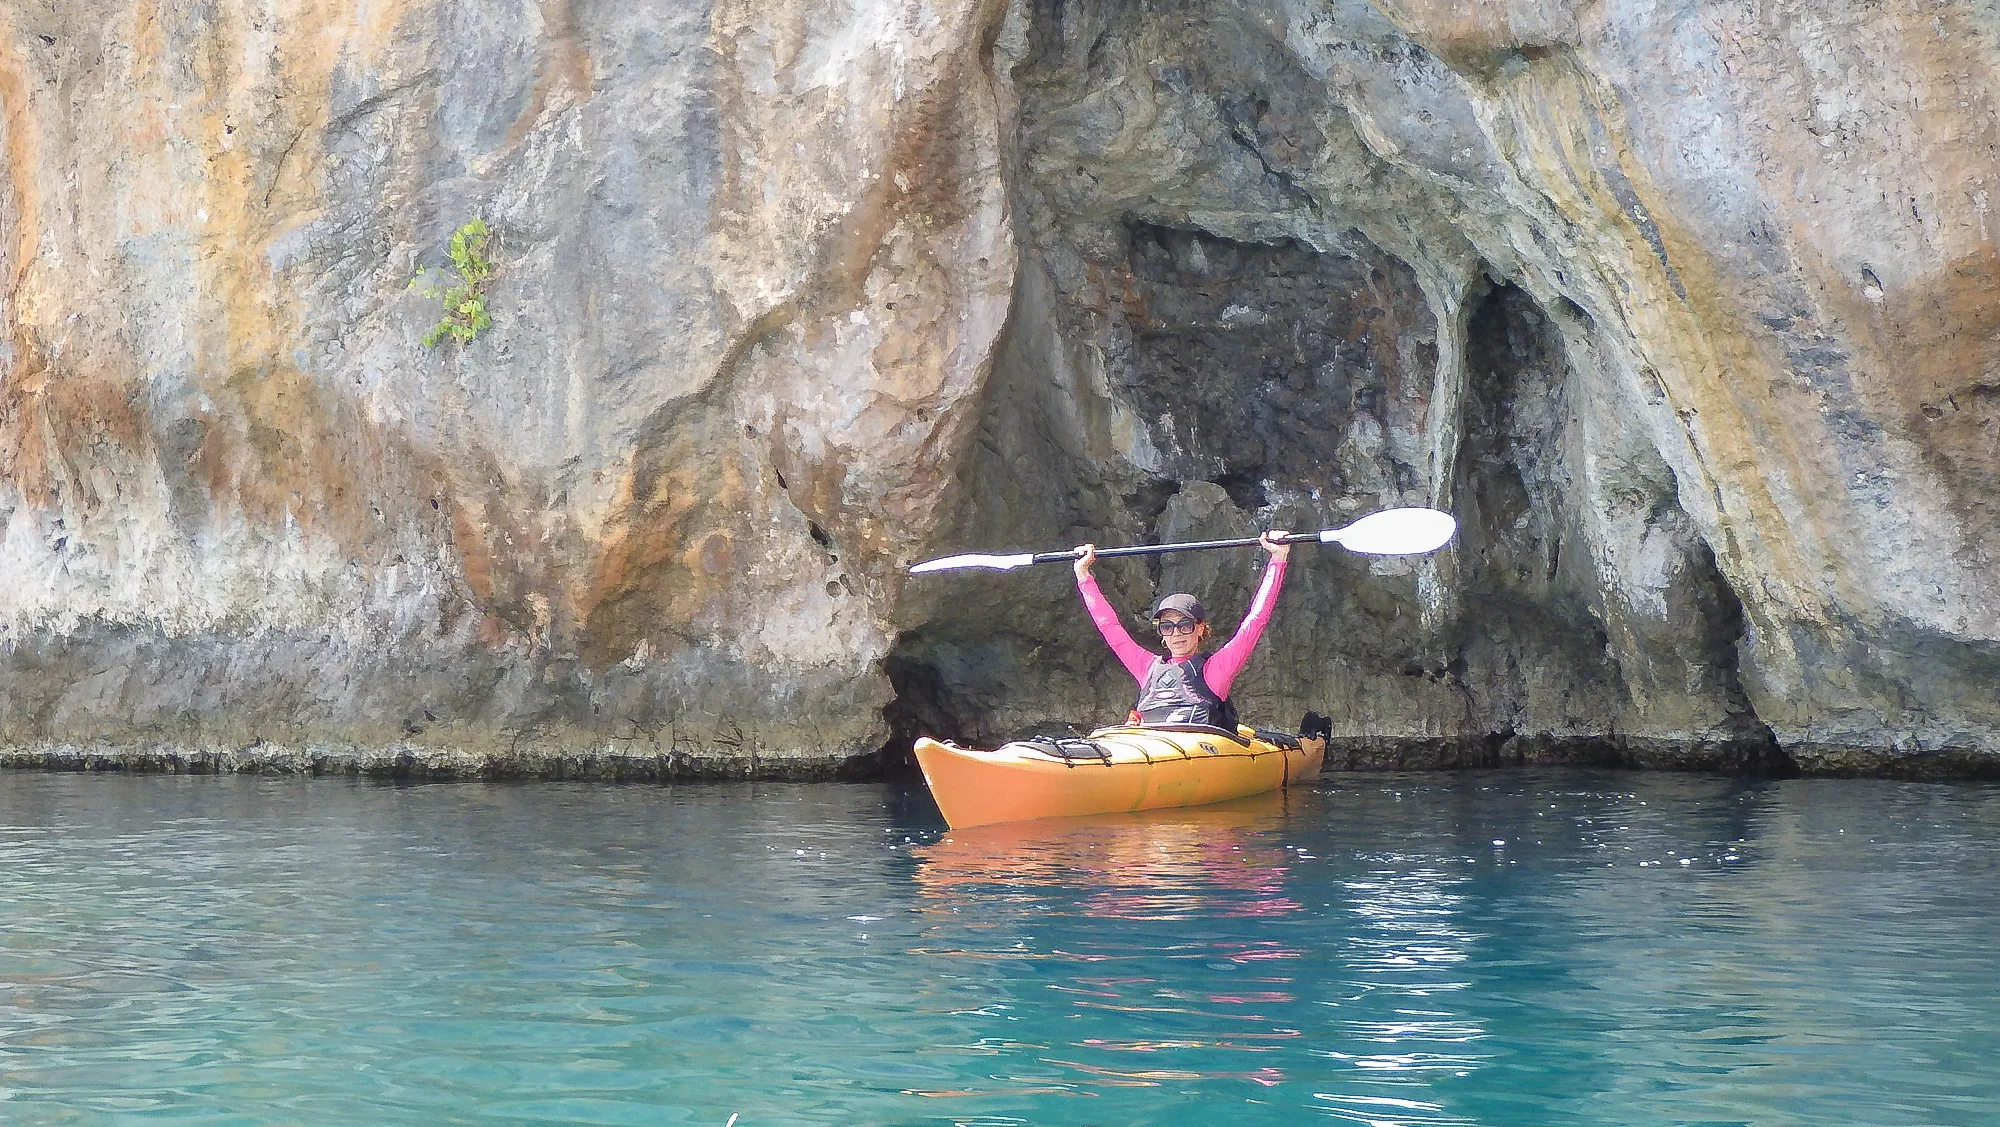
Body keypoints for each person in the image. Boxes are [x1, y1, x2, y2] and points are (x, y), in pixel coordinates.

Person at [1072, 531, 1292, 731]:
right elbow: (1108, 626)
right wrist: (1083, 574)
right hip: (1148, 751)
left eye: (1184, 625)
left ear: (1200, 629)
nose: (1176, 634)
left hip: (1198, 752)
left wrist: (1278, 559)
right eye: (1167, 627)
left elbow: (1255, 621)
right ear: (1162, 634)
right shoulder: (1146, 667)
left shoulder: (1215, 671)